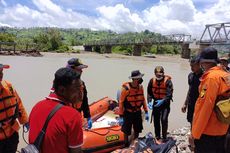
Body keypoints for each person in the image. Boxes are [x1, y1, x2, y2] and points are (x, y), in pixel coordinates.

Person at [29, 67, 83, 153]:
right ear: (62, 90)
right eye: (77, 88)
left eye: (81, 88)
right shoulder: (73, 116)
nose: (81, 92)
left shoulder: (37, 106)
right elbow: (76, 151)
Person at [192, 47, 230, 153]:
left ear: (203, 62)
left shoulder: (211, 78)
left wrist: (195, 134)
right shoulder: (226, 75)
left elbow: (205, 107)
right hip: (223, 129)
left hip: (208, 132)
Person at [0, 63, 29, 153]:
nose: (1, 74)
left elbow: (18, 103)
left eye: (1, 71)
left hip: (11, 133)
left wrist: (25, 120)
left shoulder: (9, 86)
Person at [119, 70, 149, 147]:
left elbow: (143, 99)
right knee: (126, 131)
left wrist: (146, 111)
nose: (141, 79)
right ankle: (126, 144)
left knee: (137, 129)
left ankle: (135, 144)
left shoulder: (141, 87)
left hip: (137, 112)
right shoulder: (126, 89)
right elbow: (121, 102)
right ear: (135, 79)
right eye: (139, 78)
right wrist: (121, 116)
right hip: (128, 113)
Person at [147, 66, 173, 141]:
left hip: (165, 103)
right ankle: (157, 136)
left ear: (163, 73)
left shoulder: (168, 81)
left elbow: (169, 94)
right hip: (156, 102)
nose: (158, 76)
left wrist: (163, 100)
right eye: (157, 74)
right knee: (156, 120)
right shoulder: (152, 81)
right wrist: (149, 101)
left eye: (160, 74)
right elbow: (149, 92)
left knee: (164, 119)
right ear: (155, 74)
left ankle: (164, 136)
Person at [66, 58, 92, 129]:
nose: (81, 71)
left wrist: (88, 116)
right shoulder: (62, 84)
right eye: (79, 69)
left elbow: (84, 101)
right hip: (65, 117)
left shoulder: (81, 84)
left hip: (77, 115)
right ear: (71, 69)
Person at [181, 56, 203, 125]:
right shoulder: (190, 76)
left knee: (199, 121)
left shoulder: (205, 76)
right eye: (191, 66)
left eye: (193, 66)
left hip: (200, 104)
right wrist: (185, 103)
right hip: (191, 102)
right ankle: (192, 134)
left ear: (199, 65)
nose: (191, 68)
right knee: (190, 120)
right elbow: (190, 90)